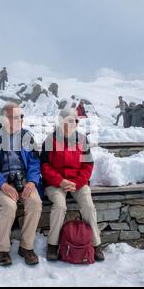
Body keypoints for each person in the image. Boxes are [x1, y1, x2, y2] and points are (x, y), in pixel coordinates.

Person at [0, 103, 42, 266]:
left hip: (24, 182)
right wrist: (3, 185)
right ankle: (2, 249)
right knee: (8, 205)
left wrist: (33, 182)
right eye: (13, 117)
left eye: (20, 117)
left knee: (35, 203)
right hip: (1, 183)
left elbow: (35, 162)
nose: (19, 120)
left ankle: (26, 247)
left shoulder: (27, 137)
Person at [41, 108, 104, 262]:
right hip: (56, 183)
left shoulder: (82, 140)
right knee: (60, 206)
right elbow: (44, 166)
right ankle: (52, 245)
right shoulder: (50, 140)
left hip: (78, 182)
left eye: (76, 120)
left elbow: (88, 165)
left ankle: (96, 245)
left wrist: (76, 183)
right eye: (69, 120)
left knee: (88, 206)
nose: (73, 123)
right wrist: (60, 181)